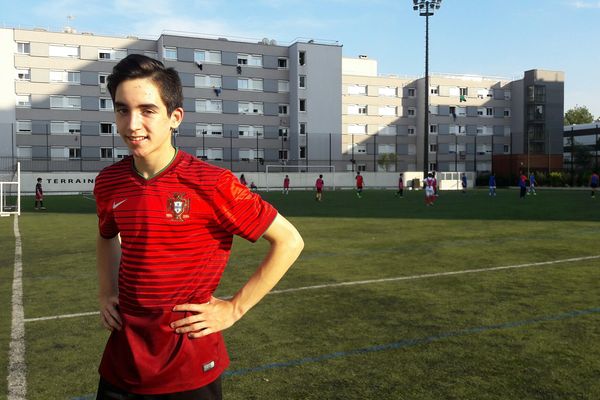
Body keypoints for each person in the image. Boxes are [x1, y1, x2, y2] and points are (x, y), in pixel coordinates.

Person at [93, 54, 304, 399]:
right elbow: (106, 236)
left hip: (189, 366)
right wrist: (106, 292)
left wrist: (234, 308)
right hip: (122, 361)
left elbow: (289, 241)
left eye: (147, 110)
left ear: (175, 117)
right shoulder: (109, 182)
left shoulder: (212, 183)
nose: (132, 124)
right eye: (122, 109)